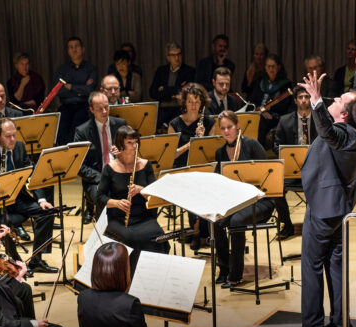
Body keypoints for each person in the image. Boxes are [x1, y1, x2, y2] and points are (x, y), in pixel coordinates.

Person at [283, 41, 356, 327]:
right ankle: (338, 324)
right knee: (335, 265)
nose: (336, 98)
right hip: (341, 205)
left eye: (339, 100)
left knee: (311, 266)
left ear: (344, 115)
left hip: (323, 208)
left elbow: (326, 130)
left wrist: (316, 100)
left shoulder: (342, 136)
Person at [214, 110, 275, 287]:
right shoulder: (220, 152)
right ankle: (224, 268)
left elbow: (267, 178)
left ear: (238, 125)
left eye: (230, 127)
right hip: (235, 203)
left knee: (236, 222)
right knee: (215, 221)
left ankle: (235, 274)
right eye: (223, 128)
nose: (226, 131)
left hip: (260, 202)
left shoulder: (252, 145)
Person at [96, 126, 169, 270]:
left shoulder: (145, 165)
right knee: (133, 239)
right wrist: (117, 203)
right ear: (121, 144)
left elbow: (155, 192)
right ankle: (133, 278)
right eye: (130, 142)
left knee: (159, 235)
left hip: (143, 216)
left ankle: (155, 273)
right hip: (119, 219)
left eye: (136, 142)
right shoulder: (110, 168)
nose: (134, 146)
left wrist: (141, 189)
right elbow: (99, 197)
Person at [0, 117, 56, 274]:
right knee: (5, 223)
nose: (12, 139)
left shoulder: (19, 147)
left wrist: (41, 199)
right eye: (8, 136)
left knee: (47, 213)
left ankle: (36, 260)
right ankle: (16, 264)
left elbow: (31, 175)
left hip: (17, 198)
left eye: (14, 135)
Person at [168, 83, 215, 250]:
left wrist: (202, 141)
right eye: (190, 101)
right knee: (190, 187)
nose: (194, 105)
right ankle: (198, 231)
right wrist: (191, 143)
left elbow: (212, 151)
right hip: (182, 170)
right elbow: (170, 155)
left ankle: (202, 230)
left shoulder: (208, 122)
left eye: (197, 101)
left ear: (202, 103)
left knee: (205, 186)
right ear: (184, 103)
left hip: (203, 169)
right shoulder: (175, 124)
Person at [74, 92, 127, 224]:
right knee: (103, 197)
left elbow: (133, 153)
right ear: (92, 110)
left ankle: (129, 232)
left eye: (107, 107)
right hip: (96, 179)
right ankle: (105, 235)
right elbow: (79, 166)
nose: (104, 111)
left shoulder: (121, 124)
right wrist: (102, 177)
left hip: (120, 173)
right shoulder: (82, 132)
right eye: (100, 109)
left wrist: (122, 153)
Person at [274, 86, 319, 239]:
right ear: (295, 100)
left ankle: (313, 223)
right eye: (300, 97)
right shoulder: (284, 121)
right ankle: (287, 224)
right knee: (276, 188)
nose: (304, 100)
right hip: (291, 170)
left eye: (307, 96)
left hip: (314, 170)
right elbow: (277, 146)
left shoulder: (320, 120)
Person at [54, 36, 97, 145]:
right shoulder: (62, 70)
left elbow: (89, 90)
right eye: (71, 47)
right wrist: (80, 89)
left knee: (77, 128)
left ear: (83, 49)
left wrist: (70, 87)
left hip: (84, 106)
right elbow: (59, 91)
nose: (74, 49)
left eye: (77, 46)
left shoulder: (90, 68)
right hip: (66, 106)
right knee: (61, 129)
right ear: (68, 51)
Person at [250, 54, 293, 148]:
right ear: (265, 68)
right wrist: (261, 110)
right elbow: (252, 101)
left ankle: (259, 152)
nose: (271, 69)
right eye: (268, 66)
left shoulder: (286, 84)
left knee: (261, 121)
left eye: (273, 66)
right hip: (259, 113)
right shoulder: (259, 82)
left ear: (279, 67)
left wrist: (267, 111)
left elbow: (284, 105)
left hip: (276, 116)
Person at [149, 42, 195, 130]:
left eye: (179, 54)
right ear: (168, 57)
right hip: (162, 108)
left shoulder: (189, 71)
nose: (177, 58)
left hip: (180, 108)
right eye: (173, 55)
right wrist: (173, 94)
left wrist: (164, 89)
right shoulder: (161, 71)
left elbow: (187, 91)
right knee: (153, 127)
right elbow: (152, 92)